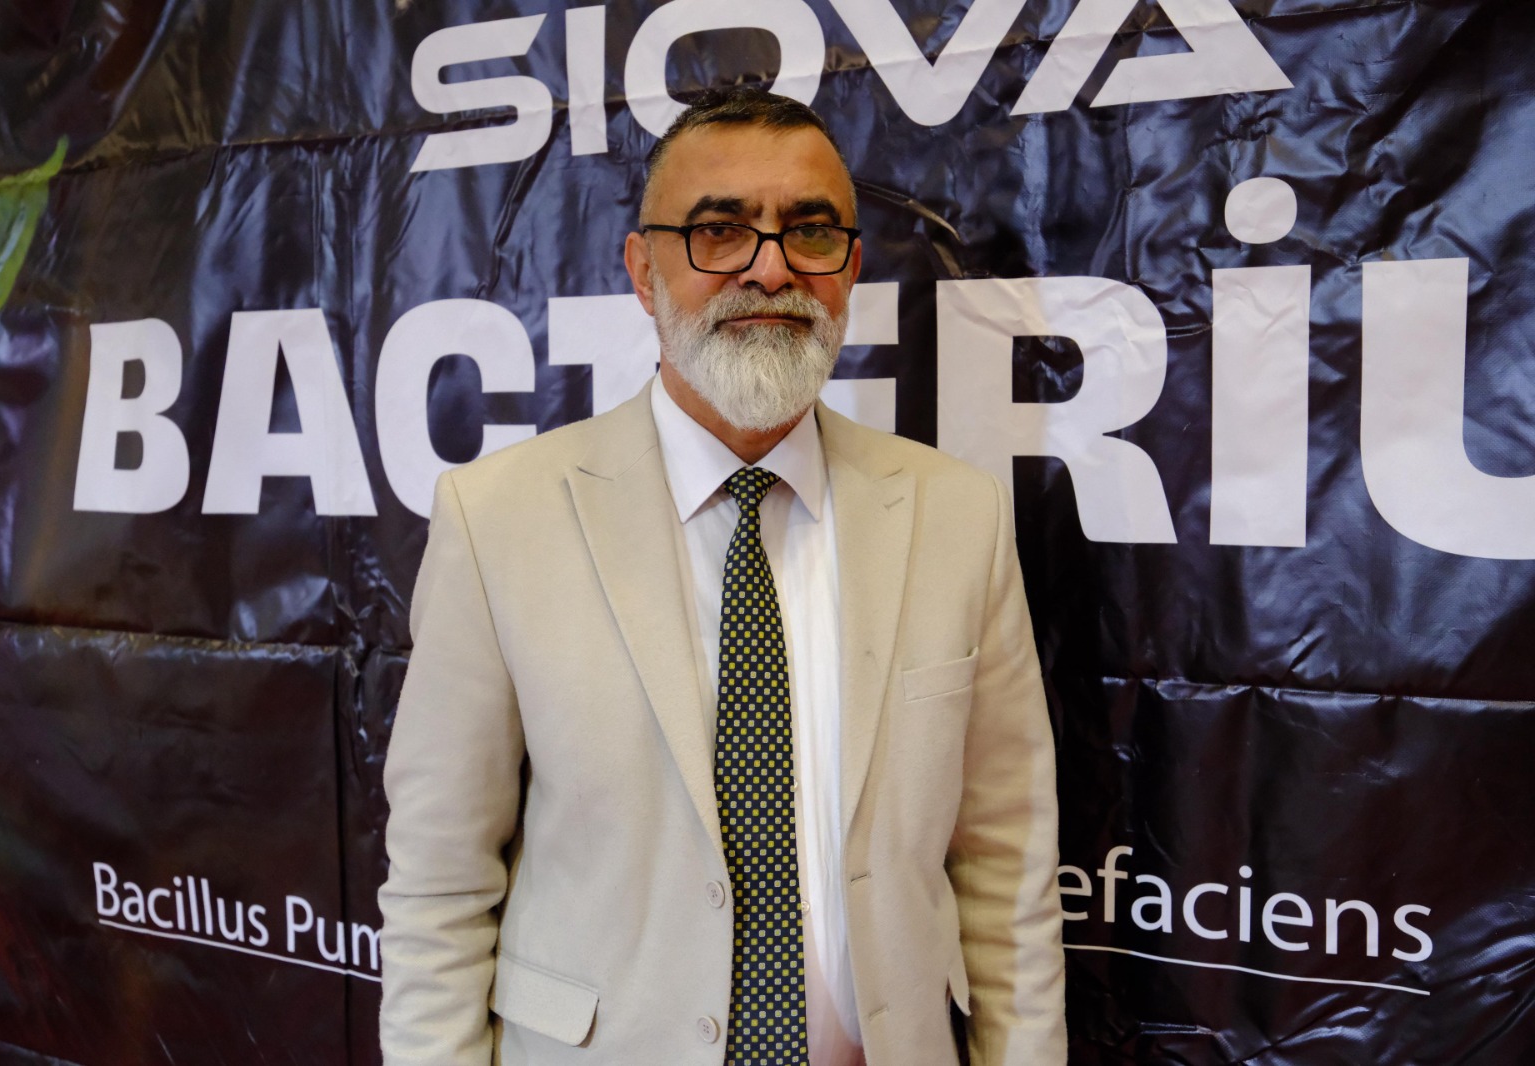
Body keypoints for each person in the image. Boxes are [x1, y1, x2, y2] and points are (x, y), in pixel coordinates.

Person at [379, 86, 1065, 1066]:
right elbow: (440, 884)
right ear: (642, 270)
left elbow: (1008, 864)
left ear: (849, 267)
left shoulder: (959, 517)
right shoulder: (498, 520)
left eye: (810, 231)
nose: (769, 267)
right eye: (720, 231)